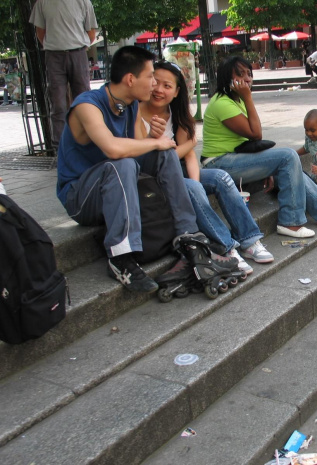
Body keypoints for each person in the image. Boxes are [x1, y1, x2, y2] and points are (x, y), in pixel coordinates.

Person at [56, 46, 209, 292]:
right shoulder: (87, 105)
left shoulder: (131, 106)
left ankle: (187, 234)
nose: (154, 84)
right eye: (150, 77)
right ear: (130, 79)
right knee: (123, 163)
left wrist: (153, 138)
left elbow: (141, 148)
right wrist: (152, 141)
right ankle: (120, 257)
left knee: (165, 153)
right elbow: (113, 149)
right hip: (80, 197)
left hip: (116, 187)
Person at [201, 56, 317, 239]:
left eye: (249, 73)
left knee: (295, 170)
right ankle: (291, 221)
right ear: (228, 78)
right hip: (219, 163)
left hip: (236, 159)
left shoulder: (236, 100)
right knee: (288, 156)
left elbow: (250, 139)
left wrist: (267, 168)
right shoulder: (222, 103)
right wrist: (248, 97)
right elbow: (256, 133)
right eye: (240, 74)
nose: (248, 79)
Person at [140, 60, 273, 274]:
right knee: (191, 188)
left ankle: (249, 241)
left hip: (177, 170)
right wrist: (179, 149)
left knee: (219, 177)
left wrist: (195, 180)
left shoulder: (178, 115)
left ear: (176, 92)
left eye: (167, 86)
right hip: (149, 179)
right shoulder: (136, 112)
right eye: (155, 82)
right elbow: (146, 156)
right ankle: (227, 248)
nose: (159, 89)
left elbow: (190, 154)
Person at [29, 0, 98, 149]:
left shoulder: (84, 2)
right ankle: (60, 146)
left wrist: (78, 46)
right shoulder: (43, 3)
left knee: (84, 100)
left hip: (77, 52)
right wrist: (54, 46)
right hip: (54, 55)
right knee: (57, 101)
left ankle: (88, 140)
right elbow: (40, 32)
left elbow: (91, 33)